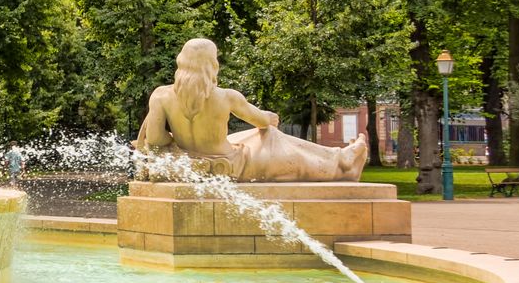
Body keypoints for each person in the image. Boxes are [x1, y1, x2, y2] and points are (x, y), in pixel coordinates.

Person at [134, 37, 369, 182]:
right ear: (212, 65)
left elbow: (154, 139)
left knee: (245, 138)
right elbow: (262, 122)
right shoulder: (225, 97)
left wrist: (175, 138)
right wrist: (269, 117)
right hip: (232, 166)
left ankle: (341, 158)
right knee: (273, 137)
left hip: (192, 163)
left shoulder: (161, 96)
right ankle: (341, 159)